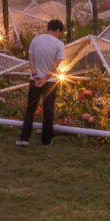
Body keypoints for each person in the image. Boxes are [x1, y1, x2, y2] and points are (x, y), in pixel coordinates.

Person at [17, 19, 66, 148]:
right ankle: (46, 141)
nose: (59, 34)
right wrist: (45, 78)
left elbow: (31, 59)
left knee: (30, 109)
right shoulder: (59, 44)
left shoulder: (36, 40)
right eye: (59, 32)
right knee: (48, 110)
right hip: (49, 81)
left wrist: (35, 75)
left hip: (35, 79)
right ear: (57, 30)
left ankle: (24, 138)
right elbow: (55, 65)